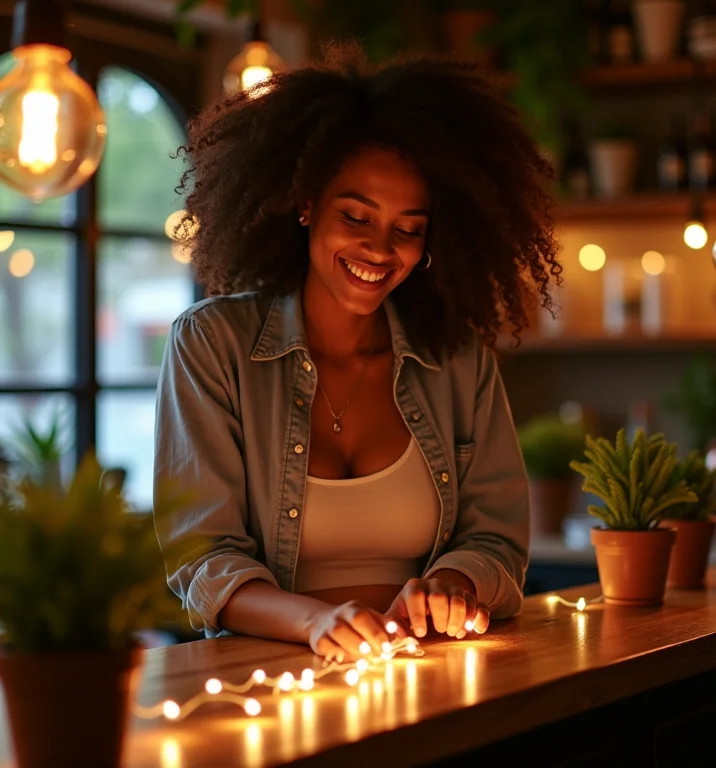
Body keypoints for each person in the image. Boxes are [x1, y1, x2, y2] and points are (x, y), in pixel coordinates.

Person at [154, 45, 561, 662]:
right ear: (307, 204)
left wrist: (453, 586)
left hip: (427, 671)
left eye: (408, 227)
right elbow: (202, 559)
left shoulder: (456, 358)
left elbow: (497, 541)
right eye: (356, 215)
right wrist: (317, 621)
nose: (380, 248)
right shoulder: (213, 345)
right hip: (269, 686)